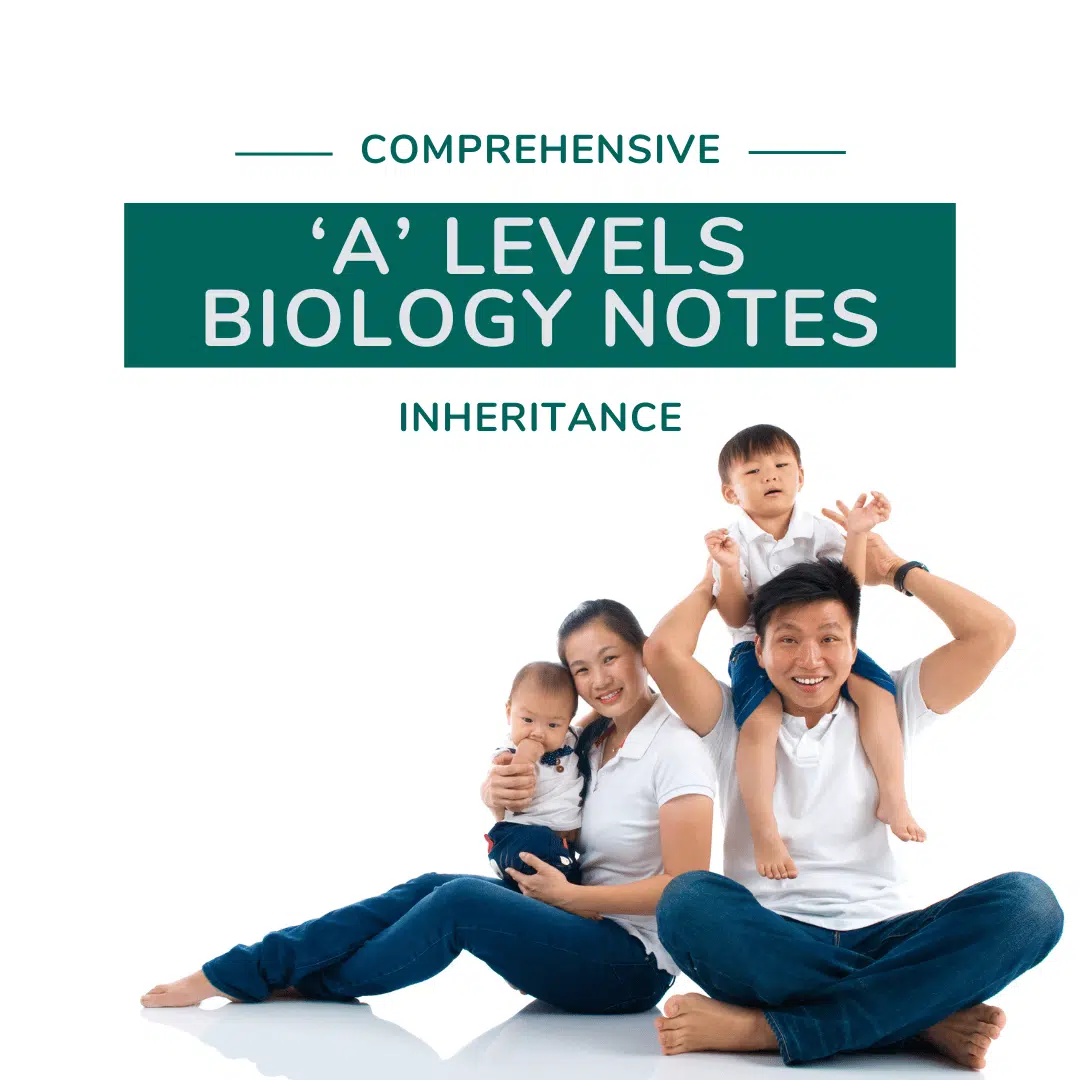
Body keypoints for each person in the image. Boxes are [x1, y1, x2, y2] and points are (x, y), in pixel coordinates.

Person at [141, 601, 715, 1015]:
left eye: (611, 658)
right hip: (572, 925)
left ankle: (308, 983)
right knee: (430, 885)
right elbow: (533, 784)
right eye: (582, 670)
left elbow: (684, 890)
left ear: (642, 653)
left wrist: (570, 899)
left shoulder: (675, 749)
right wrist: (493, 792)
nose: (599, 680)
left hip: (630, 966)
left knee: (461, 901)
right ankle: (244, 968)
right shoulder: (590, 737)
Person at [643, 530, 1063, 1069]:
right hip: (772, 937)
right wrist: (714, 585)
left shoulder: (892, 705)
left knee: (1029, 905)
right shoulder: (732, 720)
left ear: (854, 646)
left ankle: (767, 1030)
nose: (810, 659)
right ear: (759, 650)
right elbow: (662, 653)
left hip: (889, 938)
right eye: (788, 640)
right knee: (686, 901)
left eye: (829, 638)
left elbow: (993, 632)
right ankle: (920, 1017)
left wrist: (900, 571)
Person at [708, 423, 922, 882]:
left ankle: (894, 797)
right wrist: (726, 568)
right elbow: (735, 614)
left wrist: (858, 534)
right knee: (760, 720)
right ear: (730, 492)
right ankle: (764, 830)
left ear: (801, 477)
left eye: (781, 466)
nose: (771, 476)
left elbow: (848, 590)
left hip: (823, 644)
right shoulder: (731, 542)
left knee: (878, 694)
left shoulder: (818, 530)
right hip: (755, 646)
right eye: (753, 471)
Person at [485, 660, 583, 889]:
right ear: (509, 712)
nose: (538, 732)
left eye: (553, 725)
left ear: (568, 723)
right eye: (528, 720)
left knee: (571, 872)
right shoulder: (508, 751)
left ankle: (571, 890)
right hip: (520, 835)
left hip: (562, 845)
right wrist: (525, 756)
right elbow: (513, 791)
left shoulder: (572, 739)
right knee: (542, 851)